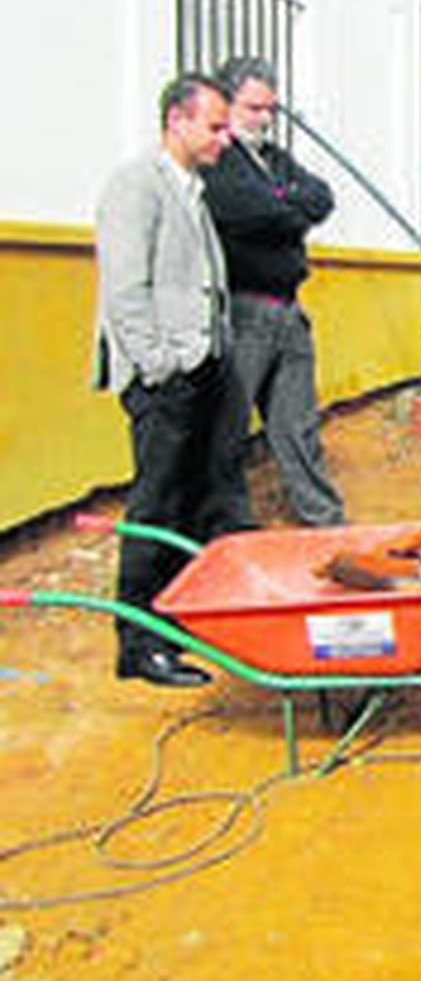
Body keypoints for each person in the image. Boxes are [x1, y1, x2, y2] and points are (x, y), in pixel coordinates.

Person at [93, 74, 255, 686]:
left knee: (194, 499)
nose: (224, 138)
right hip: (166, 376)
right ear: (176, 122)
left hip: (201, 365)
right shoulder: (137, 185)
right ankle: (137, 645)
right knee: (157, 504)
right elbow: (126, 290)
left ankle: (173, 623)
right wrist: (160, 366)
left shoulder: (192, 190)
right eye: (214, 126)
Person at [202, 56, 343, 526]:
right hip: (245, 310)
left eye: (270, 109)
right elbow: (252, 211)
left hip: (288, 310)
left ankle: (325, 522)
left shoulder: (274, 158)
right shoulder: (220, 158)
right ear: (227, 104)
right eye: (253, 108)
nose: (263, 118)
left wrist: (282, 203)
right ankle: (227, 529)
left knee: (299, 425)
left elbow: (321, 197)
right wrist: (286, 206)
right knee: (228, 428)